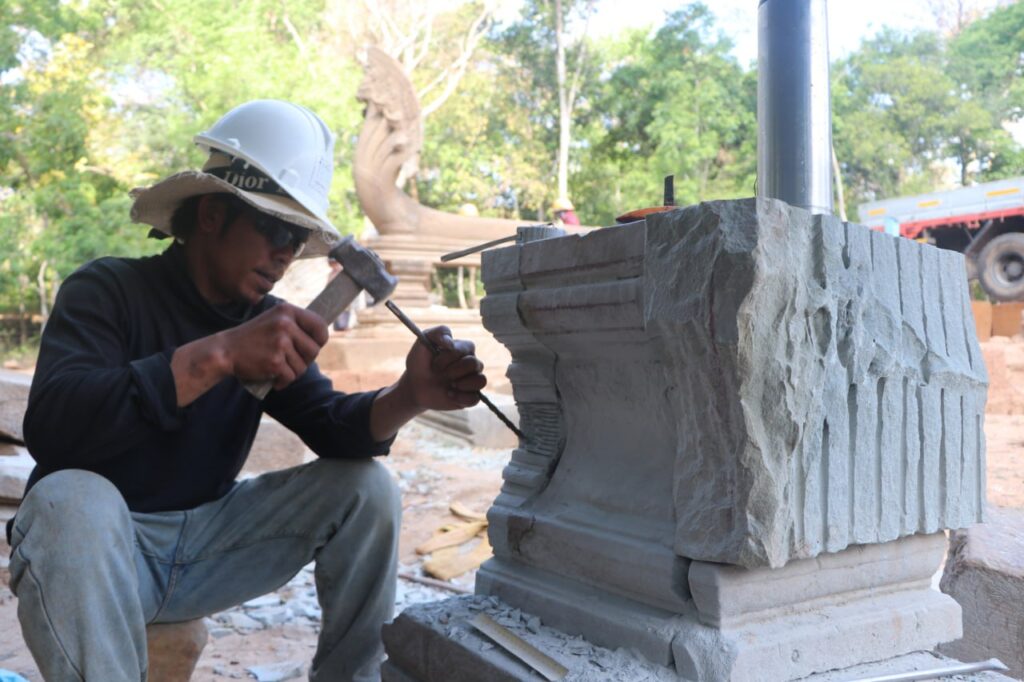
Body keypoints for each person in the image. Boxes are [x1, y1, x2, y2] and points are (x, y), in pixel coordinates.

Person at [5, 99, 486, 681]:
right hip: (102, 557)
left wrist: (410, 395)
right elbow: (54, 430)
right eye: (275, 229)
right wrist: (219, 357)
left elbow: (332, 426)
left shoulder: (266, 324)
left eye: (297, 238)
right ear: (212, 214)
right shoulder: (107, 290)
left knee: (367, 489)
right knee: (69, 497)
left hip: (208, 553)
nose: (285, 254)